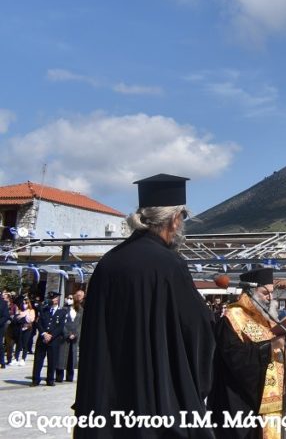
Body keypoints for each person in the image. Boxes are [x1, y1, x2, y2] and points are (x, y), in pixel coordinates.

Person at [74, 174, 215, 438]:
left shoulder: (108, 263)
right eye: (183, 217)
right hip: (158, 404)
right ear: (174, 219)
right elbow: (197, 330)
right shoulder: (171, 265)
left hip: (108, 404)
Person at [209, 267, 286, 438]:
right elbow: (235, 358)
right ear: (250, 293)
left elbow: (280, 350)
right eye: (265, 293)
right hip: (242, 402)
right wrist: (269, 346)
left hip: (269, 399)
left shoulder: (268, 318)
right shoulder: (232, 318)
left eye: (271, 293)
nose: (270, 298)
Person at [32, 291, 66, 387]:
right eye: (51, 298)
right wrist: (44, 334)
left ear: (57, 299)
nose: (52, 300)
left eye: (54, 298)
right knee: (38, 360)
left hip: (53, 340)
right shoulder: (44, 310)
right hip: (42, 338)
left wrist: (51, 335)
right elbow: (39, 323)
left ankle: (50, 379)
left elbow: (60, 327)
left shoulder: (62, 312)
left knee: (52, 361)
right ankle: (36, 379)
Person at [57, 293, 80, 383]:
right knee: (62, 357)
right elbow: (61, 323)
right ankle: (59, 376)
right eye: (68, 298)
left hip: (74, 337)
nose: (69, 299)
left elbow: (80, 324)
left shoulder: (79, 310)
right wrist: (67, 334)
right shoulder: (63, 309)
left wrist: (75, 334)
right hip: (64, 337)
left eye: (71, 298)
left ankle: (70, 376)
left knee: (71, 356)